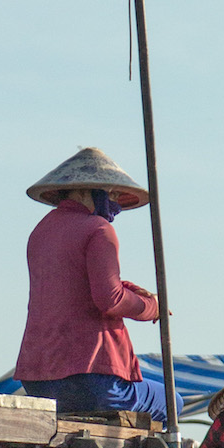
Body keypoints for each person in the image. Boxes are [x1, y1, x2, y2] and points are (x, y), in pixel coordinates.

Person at [14, 146, 169, 421]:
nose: (113, 200)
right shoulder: (98, 228)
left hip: (37, 380)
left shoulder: (39, 232)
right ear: (84, 191)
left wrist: (131, 289)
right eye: (108, 192)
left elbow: (75, 284)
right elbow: (110, 299)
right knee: (172, 402)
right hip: (93, 379)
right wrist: (152, 307)